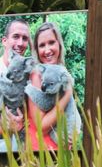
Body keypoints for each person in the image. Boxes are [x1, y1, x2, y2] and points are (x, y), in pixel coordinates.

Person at [26, 22, 79, 150]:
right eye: (42, 45)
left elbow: (70, 111)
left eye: (51, 42)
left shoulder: (61, 71)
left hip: (60, 148)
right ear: (37, 50)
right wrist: (67, 94)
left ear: (59, 44)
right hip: (42, 147)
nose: (47, 50)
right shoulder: (37, 74)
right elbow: (42, 127)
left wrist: (74, 132)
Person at [0, 19, 31, 151]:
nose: (20, 43)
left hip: (22, 150)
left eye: (25, 39)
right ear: (4, 41)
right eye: (16, 36)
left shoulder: (29, 73)